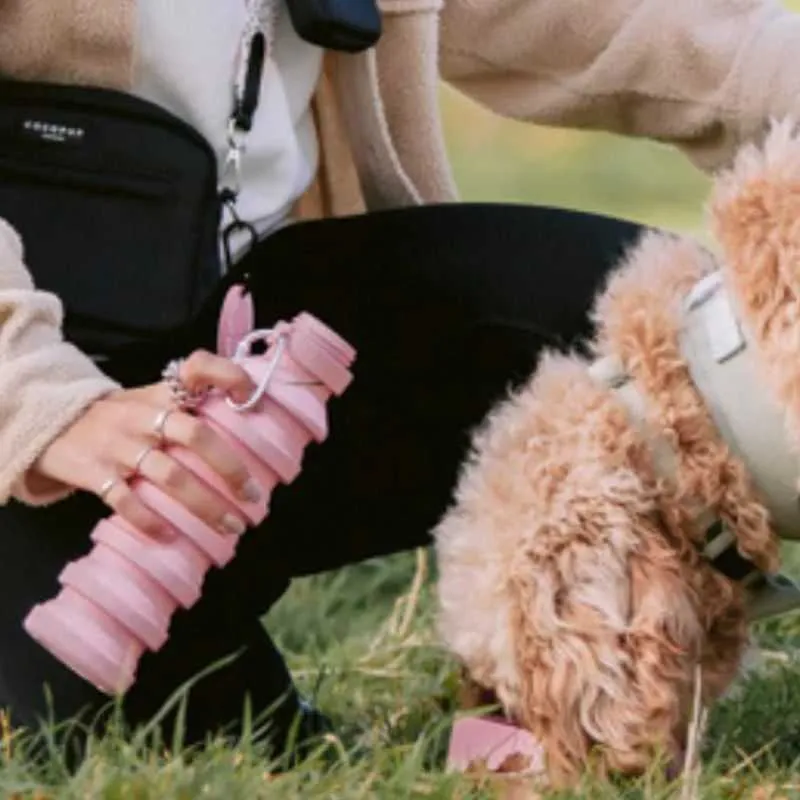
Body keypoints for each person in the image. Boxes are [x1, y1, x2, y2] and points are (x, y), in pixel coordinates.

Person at [0, 0, 798, 760]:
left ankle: (545, 723)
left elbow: (598, 22)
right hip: (42, 409)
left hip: (272, 350)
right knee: (117, 717)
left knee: (655, 344)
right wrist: (49, 406)